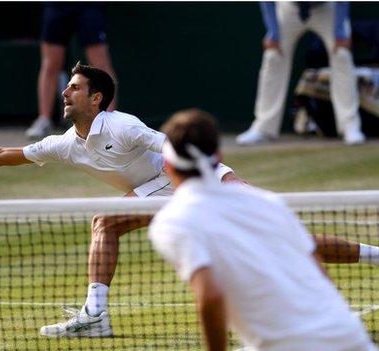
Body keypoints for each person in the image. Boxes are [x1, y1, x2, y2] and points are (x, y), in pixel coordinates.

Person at [0, 63, 379, 338]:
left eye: (75, 87)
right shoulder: (64, 142)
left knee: (288, 241)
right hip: (172, 191)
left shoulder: (123, 125)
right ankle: (96, 315)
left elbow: (173, 148)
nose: (66, 92)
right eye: (67, 86)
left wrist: (225, 184)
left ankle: (95, 316)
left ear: (98, 99)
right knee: (107, 222)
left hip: (195, 183)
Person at [149, 109, 377, 351]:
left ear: (168, 166)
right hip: (348, 335)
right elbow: (316, 268)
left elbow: (210, 296)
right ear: (219, 156)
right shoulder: (266, 201)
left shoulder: (171, 222)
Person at [237, 2, 365, 145]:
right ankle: (264, 128)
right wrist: (273, 33)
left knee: (342, 55)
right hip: (289, 7)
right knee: (273, 56)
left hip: (327, 8)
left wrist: (340, 32)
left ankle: (350, 126)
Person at [25, 3, 117, 139]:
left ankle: (110, 120)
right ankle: (44, 119)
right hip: (57, 6)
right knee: (50, 64)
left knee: (101, 64)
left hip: (89, 7)